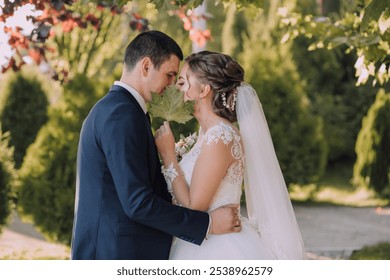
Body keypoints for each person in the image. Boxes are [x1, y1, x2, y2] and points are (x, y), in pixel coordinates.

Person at [70, 31, 241, 260]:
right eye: (170, 75)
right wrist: (208, 224)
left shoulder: (122, 110)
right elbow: (138, 203)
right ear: (146, 66)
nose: (172, 86)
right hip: (114, 253)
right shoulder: (121, 114)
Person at [155, 51, 306, 259]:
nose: (176, 88)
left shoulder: (220, 137)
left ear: (204, 90)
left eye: (182, 82)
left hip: (217, 248)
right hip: (200, 239)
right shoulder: (206, 134)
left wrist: (168, 155)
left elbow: (193, 206)